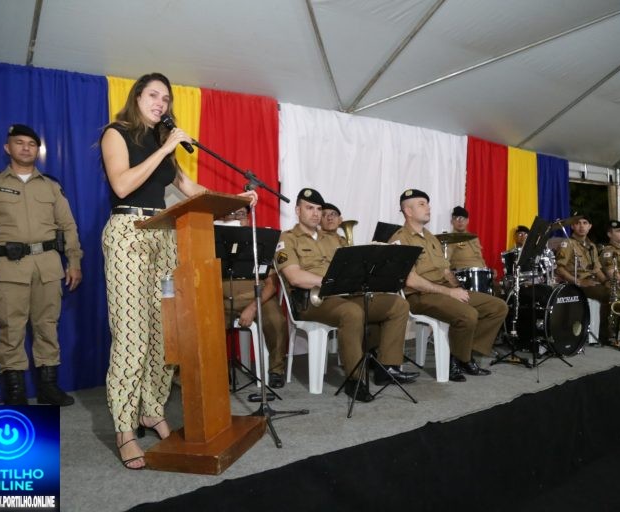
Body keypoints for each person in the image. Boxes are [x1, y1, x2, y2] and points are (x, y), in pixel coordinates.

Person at [100, 72, 257, 470]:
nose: (160, 103)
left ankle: (152, 410)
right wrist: (167, 146)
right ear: (137, 97)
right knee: (132, 336)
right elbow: (122, 185)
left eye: (166, 99)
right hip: (129, 233)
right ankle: (124, 428)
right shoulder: (116, 133)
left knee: (163, 332)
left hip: (163, 235)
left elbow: (192, 191)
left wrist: (234, 201)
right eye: (153, 95)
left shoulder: (162, 145)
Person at [0, 124, 83, 406]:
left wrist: (74, 261)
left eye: (31, 144)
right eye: (19, 142)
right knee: (11, 330)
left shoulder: (51, 186)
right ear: (8, 148)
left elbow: (68, 226)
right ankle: (16, 393)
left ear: (37, 150)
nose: (26, 148)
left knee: (47, 327)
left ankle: (48, 387)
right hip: (10, 269)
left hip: (48, 267)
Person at [275, 188, 417, 402]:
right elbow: (295, 277)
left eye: (318, 209)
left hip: (345, 294)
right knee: (352, 312)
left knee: (398, 305)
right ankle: (355, 379)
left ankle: (386, 368)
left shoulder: (334, 239)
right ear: (297, 210)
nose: (315, 213)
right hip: (312, 301)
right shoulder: (288, 239)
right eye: (309, 208)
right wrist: (330, 281)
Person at [389, 189, 507, 381]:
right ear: (408, 211)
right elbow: (411, 280)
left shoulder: (430, 237)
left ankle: (463, 355)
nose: (428, 207)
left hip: (443, 291)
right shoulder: (400, 239)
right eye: (422, 204)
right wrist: (449, 292)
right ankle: (457, 361)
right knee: (468, 314)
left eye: (427, 203)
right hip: (419, 296)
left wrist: (458, 288)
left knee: (498, 307)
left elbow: (445, 271)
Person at [218, 207, 287, 388]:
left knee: (277, 320)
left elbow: (271, 285)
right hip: (223, 300)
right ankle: (219, 371)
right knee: (208, 322)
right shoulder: (214, 243)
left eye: (241, 214)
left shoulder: (261, 244)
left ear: (248, 219)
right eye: (232, 214)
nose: (237, 218)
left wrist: (253, 306)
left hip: (258, 298)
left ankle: (276, 370)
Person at [554, 215, 612, 344]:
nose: (581, 226)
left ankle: (614, 330)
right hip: (576, 284)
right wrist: (578, 281)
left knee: (615, 292)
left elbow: (597, 269)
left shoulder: (591, 246)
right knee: (608, 295)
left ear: (590, 226)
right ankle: (604, 334)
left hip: (592, 281)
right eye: (578, 223)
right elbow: (559, 269)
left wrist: (606, 282)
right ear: (572, 226)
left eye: (585, 223)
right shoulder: (568, 243)